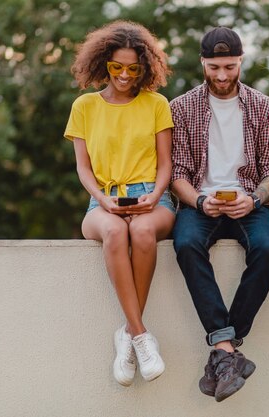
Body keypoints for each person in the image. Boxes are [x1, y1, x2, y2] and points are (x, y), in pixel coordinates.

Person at [170, 27, 269, 402]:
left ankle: (223, 348)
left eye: (229, 67)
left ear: (241, 62)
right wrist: (200, 202)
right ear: (202, 62)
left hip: (249, 202)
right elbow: (177, 174)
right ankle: (228, 351)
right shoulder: (181, 108)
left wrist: (255, 198)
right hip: (201, 203)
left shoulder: (263, 106)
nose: (221, 75)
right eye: (214, 66)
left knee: (267, 249)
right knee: (185, 243)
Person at [64, 20, 175, 386]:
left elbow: (165, 164)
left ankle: (127, 336)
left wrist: (155, 196)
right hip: (102, 200)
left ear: (145, 67)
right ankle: (140, 335)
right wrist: (101, 200)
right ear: (103, 64)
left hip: (150, 196)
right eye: (117, 67)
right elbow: (83, 168)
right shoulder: (84, 107)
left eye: (133, 68)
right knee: (113, 232)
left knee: (142, 232)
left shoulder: (157, 104)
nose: (125, 75)